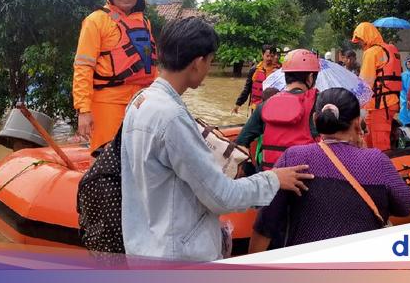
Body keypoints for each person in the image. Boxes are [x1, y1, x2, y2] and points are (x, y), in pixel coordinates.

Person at [120, 18, 315, 261]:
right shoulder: (172, 118)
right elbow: (222, 197)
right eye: (211, 61)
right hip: (177, 257)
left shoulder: (140, 102)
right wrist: (272, 179)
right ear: (199, 62)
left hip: (144, 249)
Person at [248, 88, 410, 253]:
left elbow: (266, 223)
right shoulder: (377, 160)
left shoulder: (293, 157)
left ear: (314, 119)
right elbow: (405, 206)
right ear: (357, 122)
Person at [72, 0, 157, 153]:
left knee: (138, 154)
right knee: (105, 157)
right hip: (108, 102)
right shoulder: (95, 21)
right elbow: (83, 67)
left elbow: (151, 62)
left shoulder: (144, 22)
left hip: (141, 101)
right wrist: (84, 110)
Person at [236, 49, 320, 170]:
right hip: (305, 182)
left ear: (285, 74)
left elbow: (240, 142)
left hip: (270, 181)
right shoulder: (319, 104)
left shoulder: (264, 105)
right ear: (311, 77)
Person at [351, 22, 402, 151]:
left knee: (380, 145)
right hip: (391, 102)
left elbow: (365, 83)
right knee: (370, 140)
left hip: (379, 105)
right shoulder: (392, 49)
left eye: (361, 40)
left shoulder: (371, 52)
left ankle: (382, 169)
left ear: (367, 37)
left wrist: (354, 103)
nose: (361, 44)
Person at [232, 44, 280, 114]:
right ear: (262, 55)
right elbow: (247, 89)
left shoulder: (279, 71)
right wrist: (238, 104)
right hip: (256, 107)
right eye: (267, 56)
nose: (269, 58)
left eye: (272, 56)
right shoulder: (254, 70)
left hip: (272, 108)